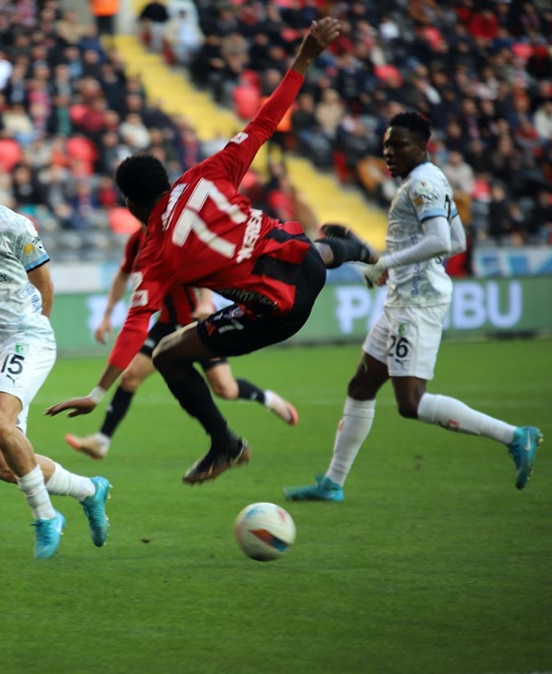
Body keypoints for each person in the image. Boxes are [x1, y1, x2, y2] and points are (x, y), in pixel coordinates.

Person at [46, 18, 374, 485]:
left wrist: (98, 392)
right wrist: (304, 58)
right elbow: (264, 122)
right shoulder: (208, 171)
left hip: (280, 309)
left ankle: (225, 443)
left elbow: (136, 325)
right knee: (303, 249)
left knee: (168, 355)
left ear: (132, 205)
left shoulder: (156, 253)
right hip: (302, 258)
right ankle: (349, 247)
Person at [284, 112, 543, 501]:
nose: (389, 153)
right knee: (361, 386)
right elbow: (457, 240)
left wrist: (388, 263)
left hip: (417, 305)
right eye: (386, 146)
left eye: (398, 145)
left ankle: (514, 436)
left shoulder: (422, 183)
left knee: (411, 401)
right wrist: (388, 262)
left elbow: (440, 241)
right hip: (402, 298)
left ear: (421, 147)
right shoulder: (430, 178)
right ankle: (333, 483)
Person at [0, 149, 111, 559]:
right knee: (1, 465)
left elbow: (44, 285)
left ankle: (46, 517)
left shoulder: (13, 226)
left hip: (25, 336)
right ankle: (89, 490)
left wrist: (35, 331)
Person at [66, 225, 299, 461]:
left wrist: (206, 302)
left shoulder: (178, 230)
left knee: (225, 389)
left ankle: (269, 399)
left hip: (200, 324)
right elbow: (123, 275)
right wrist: (107, 315)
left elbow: (205, 265)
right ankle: (101, 441)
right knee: (130, 377)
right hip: (167, 325)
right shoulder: (137, 240)